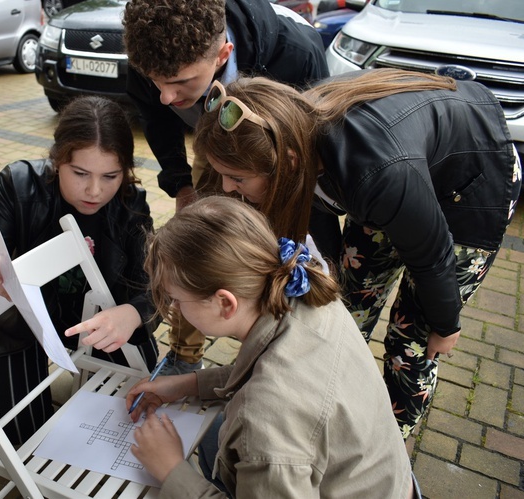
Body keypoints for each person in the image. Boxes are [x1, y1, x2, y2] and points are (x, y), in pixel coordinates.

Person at [192, 69, 522, 437]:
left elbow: (433, 256)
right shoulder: (293, 131)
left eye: (237, 178)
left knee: (410, 340)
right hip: (396, 179)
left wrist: (446, 325)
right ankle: (328, 402)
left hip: (470, 186)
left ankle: (389, 451)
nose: (227, 187)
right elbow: (316, 226)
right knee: (349, 300)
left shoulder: (376, 176)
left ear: (288, 161)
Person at [127, 196, 415, 498]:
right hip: (387, 479)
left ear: (225, 303)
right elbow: (272, 373)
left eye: (176, 299)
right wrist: (187, 384)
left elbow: (274, 397)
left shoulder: (263, 422)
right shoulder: (301, 291)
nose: (175, 307)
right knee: (215, 438)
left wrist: (171, 470)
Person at [122, 0, 329, 376]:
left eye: (181, 82)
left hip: (280, 156)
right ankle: (184, 358)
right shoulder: (147, 52)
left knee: (277, 247)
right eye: (157, 83)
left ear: (223, 54)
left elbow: (311, 145)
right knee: (198, 241)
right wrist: (182, 186)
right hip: (212, 141)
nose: (166, 97)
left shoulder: (296, 53)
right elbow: (156, 120)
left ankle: (272, 355)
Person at [0, 96, 160, 445]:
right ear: (58, 159)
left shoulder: (129, 202)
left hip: (97, 322)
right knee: (26, 440)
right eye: (80, 174)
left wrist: (133, 313)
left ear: (126, 171)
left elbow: (152, 288)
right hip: (22, 327)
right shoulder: (17, 185)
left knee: (136, 413)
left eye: (110, 176)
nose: (95, 190)